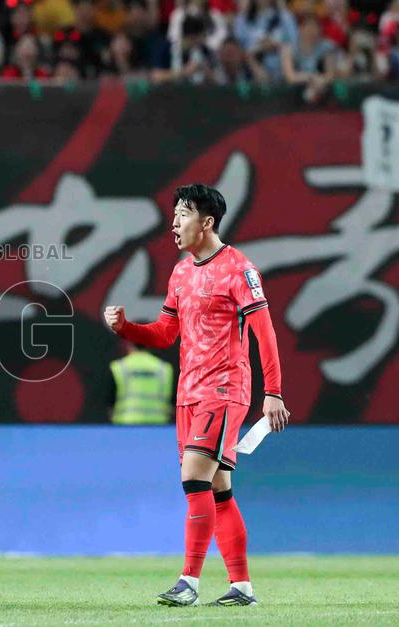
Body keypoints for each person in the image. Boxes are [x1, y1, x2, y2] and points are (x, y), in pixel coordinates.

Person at [103, 184, 290, 607]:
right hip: (189, 392)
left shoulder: (239, 269)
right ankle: (242, 587)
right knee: (218, 490)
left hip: (223, 390)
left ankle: (188, 581)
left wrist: (273, 392)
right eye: (173, 215)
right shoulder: (182, 272)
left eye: (182, 215)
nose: (174, 223)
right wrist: (127, 329)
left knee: (193, 480)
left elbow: (265, 334)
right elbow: (167, 333)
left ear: (206, 222)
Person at [108, 341, 173, 425]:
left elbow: (110, 403)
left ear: (128, 344)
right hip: (158, 426)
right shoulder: (164, 368)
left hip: (125, 425)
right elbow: (173, 403)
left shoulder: (118, 367)